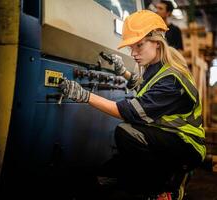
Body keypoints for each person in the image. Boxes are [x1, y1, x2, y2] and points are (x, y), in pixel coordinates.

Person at [59, 10, 205, 199]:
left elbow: (128, 112)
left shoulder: (172, 80)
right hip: (165, 137)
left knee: (127, 133)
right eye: (131, 48)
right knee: (105, 175)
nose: (134, 54)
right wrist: (123, 72)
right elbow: (147, 90)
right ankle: (148, 180)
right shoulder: (158, 68)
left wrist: (84, 95)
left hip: (186, 146)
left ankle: (165, 188)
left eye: (139, 46)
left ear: (157, 43)